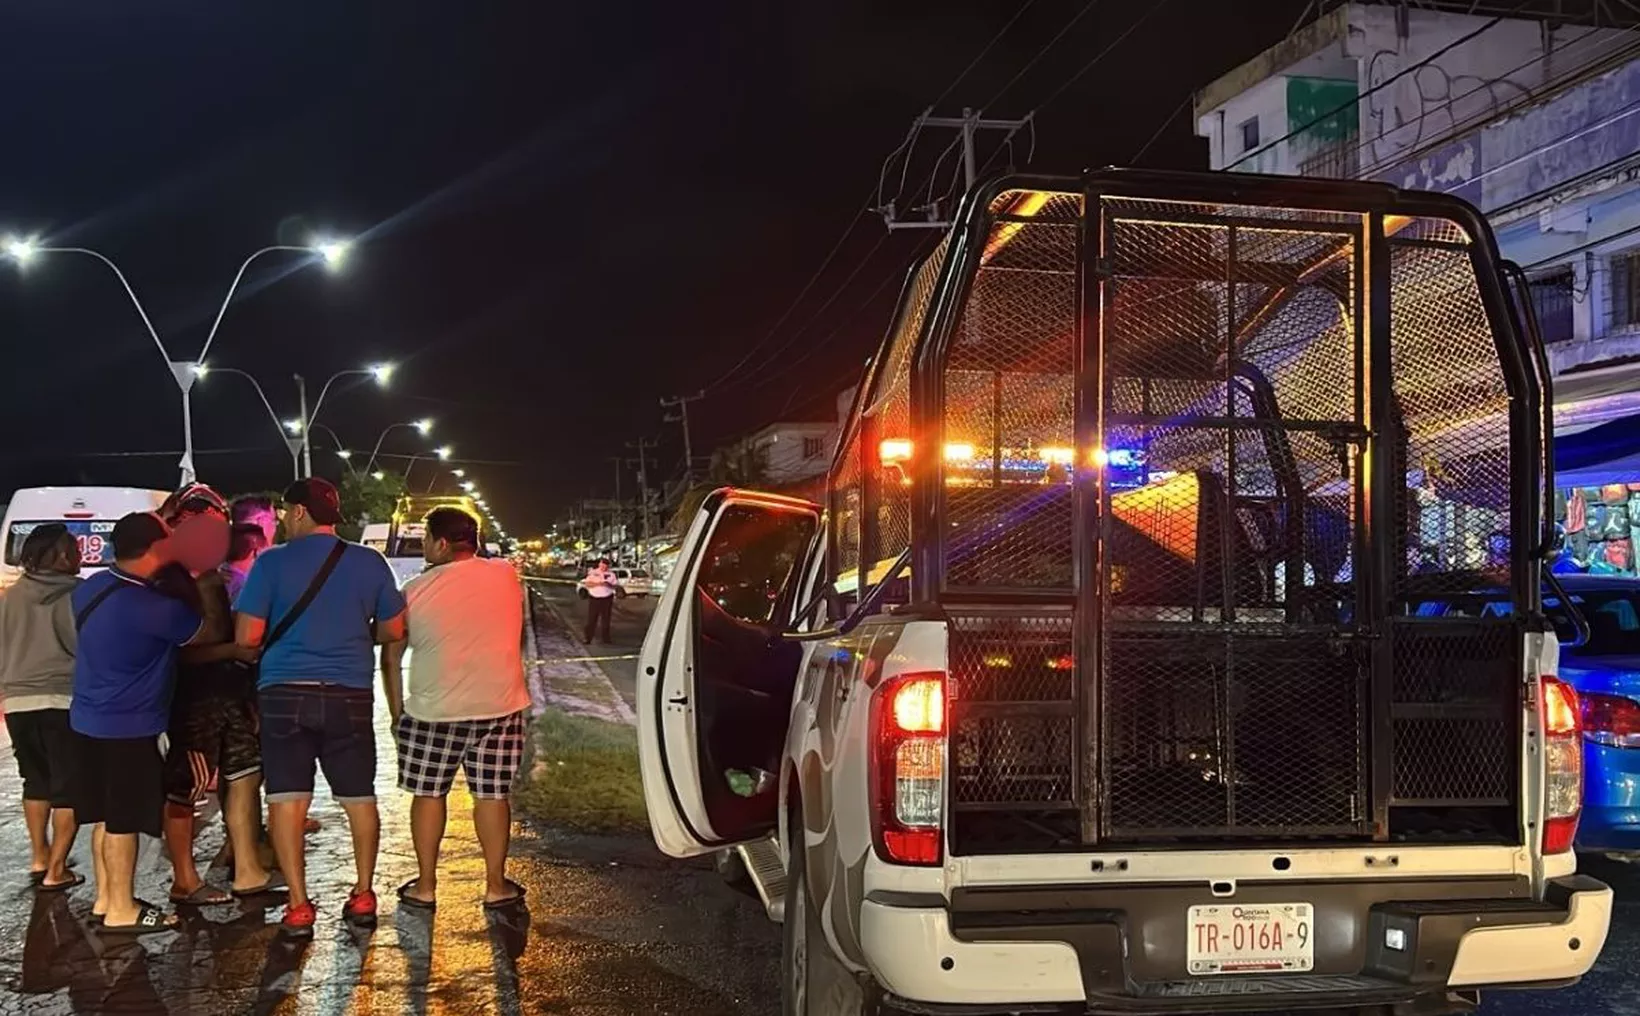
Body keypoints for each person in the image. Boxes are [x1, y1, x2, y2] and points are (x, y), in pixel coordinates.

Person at [235, 478, 407, 939]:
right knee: (359, 796)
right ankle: (365, 892)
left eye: (286, 513)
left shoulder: (270, 564)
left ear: (297, 512)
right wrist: (352, 633)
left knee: (287, 799)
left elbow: (248, 638)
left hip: (283, 693)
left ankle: (297, 904)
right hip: (348, 693)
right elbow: (393, 630)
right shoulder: (371, 562)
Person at [70, 512, 227, 934]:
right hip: (129, 727)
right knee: (123, 822)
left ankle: (107, 898)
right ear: (157, 548)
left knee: (104, 817)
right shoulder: (153, 608)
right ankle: (122, 908)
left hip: (87, 720)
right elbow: (200, 631)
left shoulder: (91, 589)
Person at [382, 507, 530, 910]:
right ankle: (496, 886)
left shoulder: (412, 591)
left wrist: (398, 715)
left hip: (432, 712)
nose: (424, 547)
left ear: (441, 543)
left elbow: (390, 657)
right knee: (492, 796)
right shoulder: (506, 575)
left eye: (426, 540)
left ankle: (426, 886)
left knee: (428, 794)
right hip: (500, 706)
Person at [156, 485, 278, 905]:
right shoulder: (168, 580)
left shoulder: (218, 575)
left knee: (244, 773)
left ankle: (247, 868)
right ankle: (184, 879)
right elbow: (182, 651)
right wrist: (233, 649)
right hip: (192, 700)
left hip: (233, 692)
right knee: (185, 788)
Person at [0, 524, 82, 890]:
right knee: (69, 787)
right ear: (62, 555)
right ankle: (57, 869)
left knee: (35, 781)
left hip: (17, 700)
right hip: (62, 698)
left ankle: (39, 855)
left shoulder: (11, 597)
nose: (81, 555)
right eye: (75, 549)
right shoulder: (78, 595)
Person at [582, 558, 616, 644]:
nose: (604, 567)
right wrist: (599, 584)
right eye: (602, 564)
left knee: (606, 620)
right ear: (599, 564)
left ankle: (606, 639)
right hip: (595, 599)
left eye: (606, 565)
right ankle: (588, 638)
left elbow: (615, 586)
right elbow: (587, 584)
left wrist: (607, 584)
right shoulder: (593, 573)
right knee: (592, 619)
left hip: (607, 599)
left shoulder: (611, 574)